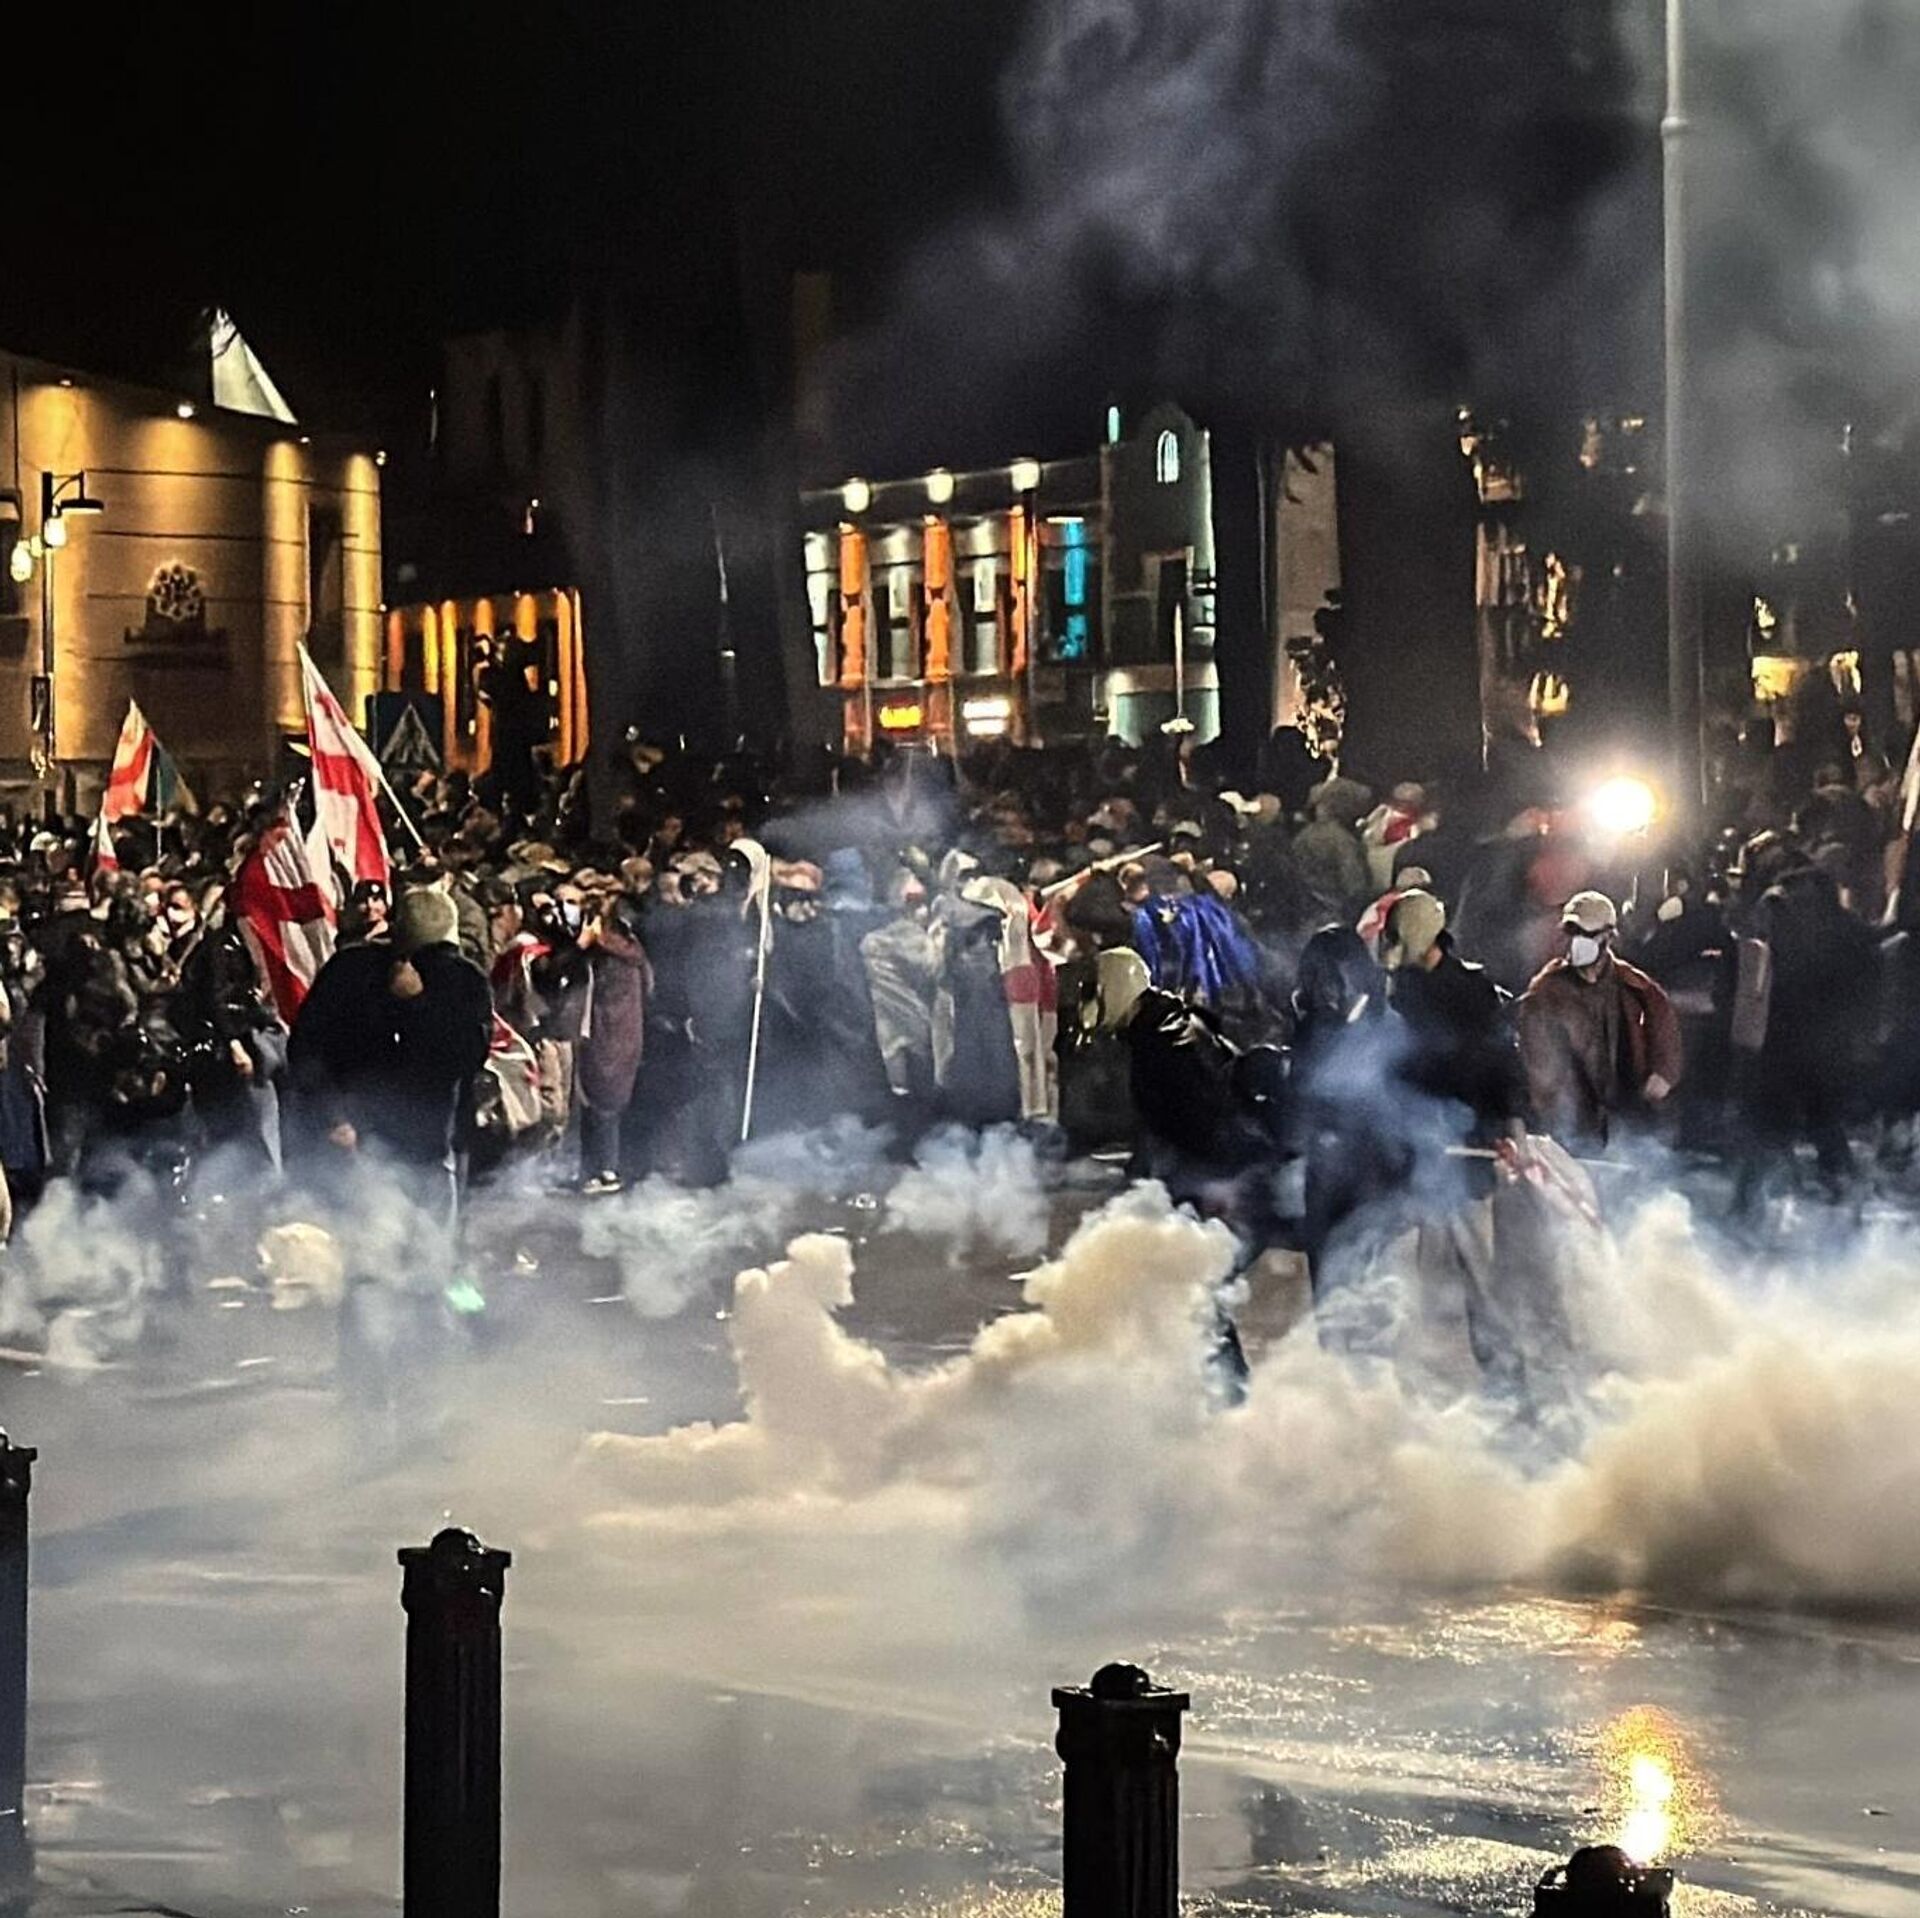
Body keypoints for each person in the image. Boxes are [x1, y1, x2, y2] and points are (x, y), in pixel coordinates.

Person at [1517, 891, 1683, 1152]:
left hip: (1627, 1118)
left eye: (1585, 933)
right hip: (1573, 1124)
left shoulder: (1635, 986)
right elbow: (1539, 1069)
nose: (1576, 941)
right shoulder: (1547, 992)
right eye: (1571, 932)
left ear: (1607, 936)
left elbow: (1665, 1031)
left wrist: (1662, 1073)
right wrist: (1553, 1114)